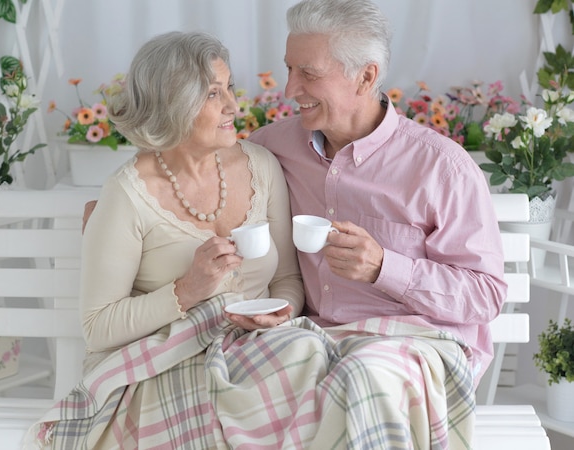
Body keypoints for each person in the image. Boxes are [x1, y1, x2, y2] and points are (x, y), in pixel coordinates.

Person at [247, 0, 507, 447]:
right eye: (289, 69)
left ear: (365, 77)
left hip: (417, 344)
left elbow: (484, 296)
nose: (290, 88)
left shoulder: (441, 167)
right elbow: (207, 182)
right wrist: (121, 203)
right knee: (223, 375)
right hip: (315, 340)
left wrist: (384, 267)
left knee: (362, 378)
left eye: (308, 73)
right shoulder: (271, 147)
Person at [26, 31, 303, 448]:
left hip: (256, 352)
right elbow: (98, 328)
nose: (233, 105)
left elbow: (287, 280)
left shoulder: (260, 166)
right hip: (161, 364)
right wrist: (189, 290)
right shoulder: (127, 194)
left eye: (229, 87)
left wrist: (282, 313)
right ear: (174, 104)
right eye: (213, 94)